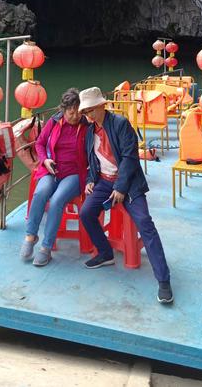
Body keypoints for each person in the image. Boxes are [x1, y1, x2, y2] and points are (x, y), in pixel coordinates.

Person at [78, 86, 173, 304]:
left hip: (128, 184)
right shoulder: (91, 131)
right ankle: (105, 253)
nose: (89, 115)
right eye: (86, 112)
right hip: (103, 181)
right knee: (86, 213)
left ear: (102, 105)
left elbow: (130, 158)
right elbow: (93, 159)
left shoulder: (120, 124)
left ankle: (163, 280)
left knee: (144, 223)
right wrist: (91, 180)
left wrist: (120, 188)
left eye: (91, 109)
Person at [20, 88, 88, 267]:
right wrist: (45, 160)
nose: (74, 116)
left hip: (74, 173)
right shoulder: (54, 121)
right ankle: (31, 235)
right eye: (71, 112)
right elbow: (40, 143)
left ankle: (46, 248)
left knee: (57, 200)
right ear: (63, 111)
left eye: (78, 112)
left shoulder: (87, 125)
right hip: (52, 169)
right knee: (41, 192)